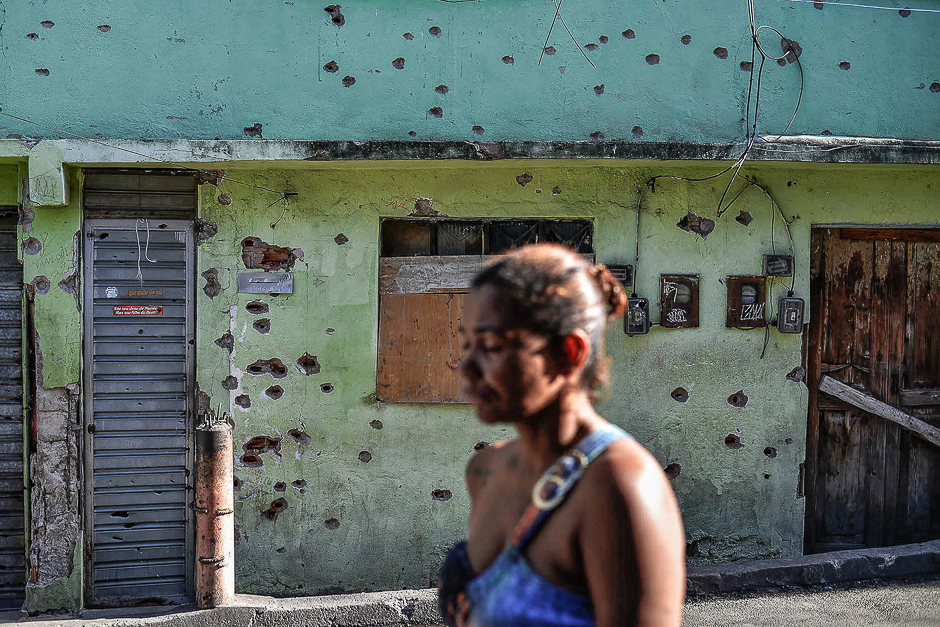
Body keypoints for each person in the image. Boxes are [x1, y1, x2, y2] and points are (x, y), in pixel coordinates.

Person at [438, 244, 685, 627]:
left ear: (569, 353)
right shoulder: (486, 472)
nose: (467, 366)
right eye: (466, 343)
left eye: (491, 346)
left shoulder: (619, 486)